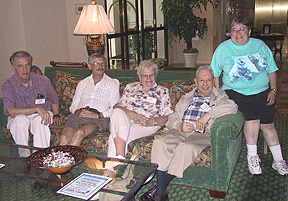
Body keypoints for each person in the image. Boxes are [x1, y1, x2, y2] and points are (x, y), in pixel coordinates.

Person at [140, 65, 238, 201]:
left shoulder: (219, 95)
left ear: (213, 81)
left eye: (209, 80)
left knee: (186, 147)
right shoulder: (187, 97)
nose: (205, 84)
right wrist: (179, 126)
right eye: (202, 80)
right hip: (180, 131)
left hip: (202, 134)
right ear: (196, 81)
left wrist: (208, 115)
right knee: (161, 142)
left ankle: (158, 193)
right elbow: (172, 118)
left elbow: (232, 106)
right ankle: (160, 192)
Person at [210, 16, 288, 176]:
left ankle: (278, 160)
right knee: (252, 119)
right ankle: (252, 156)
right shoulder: (223, 49)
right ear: (229, 33)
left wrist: (273, 90)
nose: (238, 33)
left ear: (249, 32)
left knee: (268, 125)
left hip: (262, 91)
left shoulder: (260, 45)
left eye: (242, 29)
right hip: (236, 92)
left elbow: (272, 69)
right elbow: (215, 74)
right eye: (234, 30)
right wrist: (219, 95)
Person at [107, 60, 174, 159]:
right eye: (145, 76)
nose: (148, 78)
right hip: (127, 120)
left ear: (156, 76)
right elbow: (117, 106)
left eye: (151, 75)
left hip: (147, 125)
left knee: (114, 137)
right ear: (139, 77)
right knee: (117, 111)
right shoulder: (130, 87)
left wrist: (153, 122)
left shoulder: (162, 91)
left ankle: (111, 170)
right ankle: (119, 159)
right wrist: (132, 115)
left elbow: (169, 116)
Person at [2, 51, 61, 158]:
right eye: (20, 66)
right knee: (20, 120)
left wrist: (56, 115)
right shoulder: (8, 85)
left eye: (27, 65)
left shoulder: (43, 80)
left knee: (39, 120)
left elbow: (54, 99)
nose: (25, 70)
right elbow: (11, 111)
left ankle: (41, 158)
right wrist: (35, 109)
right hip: (18, 116)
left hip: (42, 114)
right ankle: (24, 158)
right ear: (13, 68)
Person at [59, 53, 119, 146]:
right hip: (78, 116)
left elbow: (116, 108)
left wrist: (98, 115)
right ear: (89, 66)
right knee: (64, 137)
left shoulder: (112, 83)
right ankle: (63, 160)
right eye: (96, 64)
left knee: (79, 133)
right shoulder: (83, 83)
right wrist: (77, 112)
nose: (100, 66)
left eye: (102, 63)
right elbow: (73, 106)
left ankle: (65, 159)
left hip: (97, 120)